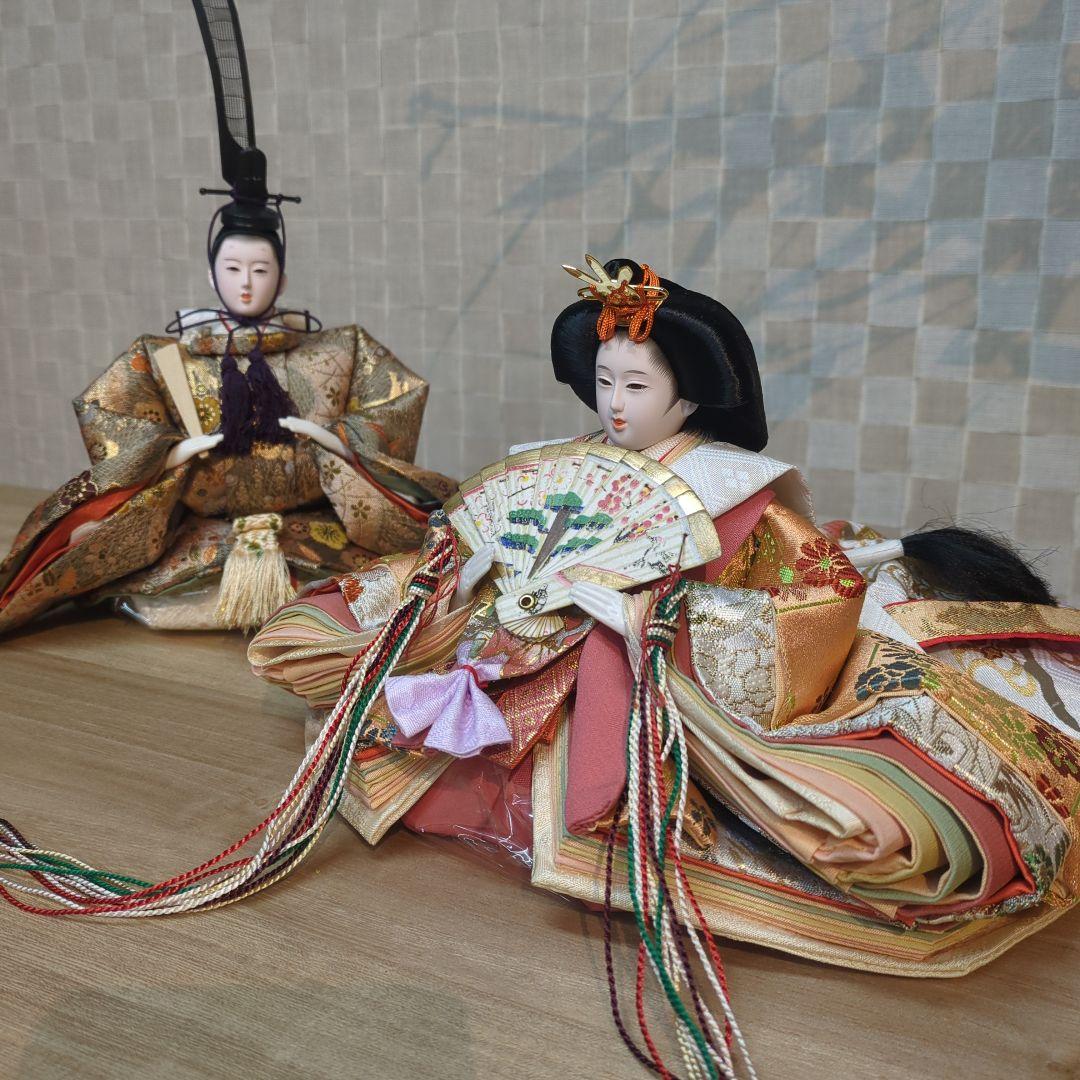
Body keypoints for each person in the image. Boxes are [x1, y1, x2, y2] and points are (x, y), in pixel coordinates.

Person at [249, 258, 1080, 977]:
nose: (614, 403)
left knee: (861, 823)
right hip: (520, 654)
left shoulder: (733, 491)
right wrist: (464, 573)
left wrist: (649, 614)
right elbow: (498, 543)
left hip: (644, 674)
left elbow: (812, 603)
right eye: (604, 381)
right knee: (377, 690)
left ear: (687, 400)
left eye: (637, 385)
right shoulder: (571, 466)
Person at [0, 3, 454, 634]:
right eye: (233, 268)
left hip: (311, 536)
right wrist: (169, 452)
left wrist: (334, 439)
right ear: (211, 274)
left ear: (282, 278)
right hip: (200, 538)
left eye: (260, 269)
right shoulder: (164, 357)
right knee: (143, 585)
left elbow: (393, 406)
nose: (246, 282)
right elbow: (113, 418)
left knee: (396, 582)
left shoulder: (340, 350)